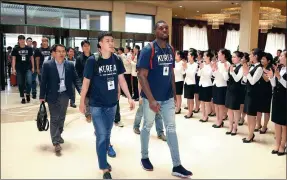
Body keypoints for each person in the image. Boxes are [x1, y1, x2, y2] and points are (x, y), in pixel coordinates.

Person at [137, 20, 192, 178]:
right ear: (155, 31)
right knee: (147, 126)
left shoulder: (170, 48)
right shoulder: (149, 49)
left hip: (167, 97)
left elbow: (171, 73)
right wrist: (152, 100)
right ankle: (144, 157)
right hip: (151, 98)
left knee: (172, 129)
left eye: (166, 28)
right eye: (161, 28)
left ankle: (177, 165)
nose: (165, 30)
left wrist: (174, 94)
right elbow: (141, 75)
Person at [79, 32, 135, 179]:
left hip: (112, 104)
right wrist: (81, 102)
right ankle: (104, 167)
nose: (111, 43)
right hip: (96, 104)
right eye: (107, 41)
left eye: (112, 40)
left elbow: (122, 80)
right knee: (102, 136)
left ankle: (102, 147)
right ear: (100, 44)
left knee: (107, 133)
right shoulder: (93, 60)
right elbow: (86, 83)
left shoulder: (116, 59)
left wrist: (129, 97)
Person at [40, 44, 81, 153]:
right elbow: (43, 81)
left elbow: (76, 79)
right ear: (54, 53)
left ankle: (58, 134)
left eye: (63, 51)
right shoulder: (47, 65)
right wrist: (41, 96)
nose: (62, 53)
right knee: (54, 118)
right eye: (59, 51)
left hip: (65, 94)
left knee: (62, 117)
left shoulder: (70, 65)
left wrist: (81, 91)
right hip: (52, 94)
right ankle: (56, 141)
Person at [265, 50, 286, 156]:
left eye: (282, 55)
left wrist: (278, 77)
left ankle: (283, 145)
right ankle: (277, 144)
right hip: (277, 97)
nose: (280, 57)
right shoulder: (280, 68)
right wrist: (272, 77)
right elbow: (274, 84)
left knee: (284, 124)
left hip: (285, 99)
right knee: (277, 122)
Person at [242, 48, 264, 143]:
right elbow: (246, 80)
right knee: (248, 115)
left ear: (255, 56)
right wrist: (245, 74)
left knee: (251, 115)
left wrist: (247, 73)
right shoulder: (252, 66)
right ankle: (250, 133)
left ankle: (250, 135)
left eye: (251, 55)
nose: (249, 56)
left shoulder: (259, 68)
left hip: (254, 94)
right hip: (248, 92)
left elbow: (253, 81)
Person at [225, 51, 244, 135]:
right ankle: (230, 126)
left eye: (234, 57)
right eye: (232, 57)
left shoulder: (242, 67)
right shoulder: (231, 66)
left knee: (236, 110)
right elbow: (226, 78)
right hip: (229, 88)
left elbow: (237, 79)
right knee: (229, 109)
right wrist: (226, 71)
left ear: (239, 58)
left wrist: (232, 71)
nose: (232, 59)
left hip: (237, 90)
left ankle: (235, 127)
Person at [11, 35, 34, 104]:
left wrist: (33, 67)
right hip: (19, 69)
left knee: (29, 82)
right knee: (20, 83)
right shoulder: (15, 49)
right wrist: (13, 69)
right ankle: (22, 97)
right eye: (20, 40)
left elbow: (32, 58)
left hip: (28, 68)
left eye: (23, 39)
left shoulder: (29, 48)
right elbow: (13, 59)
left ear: (25, 40)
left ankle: (27, 94)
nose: (22, 41)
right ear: (18, 41)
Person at [211, 49, 231, 128]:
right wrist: (214, 69)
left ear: (223, 55)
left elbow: (226, 78)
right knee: (215, 104)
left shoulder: (227, 64)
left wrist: (224, 70)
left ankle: (220, 121)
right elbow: (214, 75)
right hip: (215, 84)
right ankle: (217, 120)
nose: (217, 54)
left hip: (222, 86)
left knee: (220, 105)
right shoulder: (218, 63)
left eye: (219, 53)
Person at [255, 52, 273, 134]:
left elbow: (267, 79)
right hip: (258, 90)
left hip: (267, 91)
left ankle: (265, 126)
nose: (261, 60)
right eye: (261, 59)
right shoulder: (260, 67)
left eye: (264, 59)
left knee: (266, 110)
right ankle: (258, 124)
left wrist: (261, 72)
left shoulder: (270, 68)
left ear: (268, 61)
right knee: (258, 109)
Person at [75, 40, 92, 121]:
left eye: (88, 45)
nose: (87, 47)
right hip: (83, 81)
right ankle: (88, 114)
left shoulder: (94, 57)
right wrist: (79, 84)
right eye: (85, 46)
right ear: (82, 47)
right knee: (86, 98)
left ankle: (93, 113)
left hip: (94, 81)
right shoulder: (79, 58)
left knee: (93, 97)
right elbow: (77, 72)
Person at [198, 51, 213, 122]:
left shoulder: (211, 65)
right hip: (201, 84)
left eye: (204, 56)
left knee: (207, 102)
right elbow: (198, 74)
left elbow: (209, 75)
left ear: (209, 57)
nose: (203, 57)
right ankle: (203, 115)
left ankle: (206, 116)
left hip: (207, 85)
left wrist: (202, 69)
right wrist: (200, 68)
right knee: (202, 102)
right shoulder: (203, 64)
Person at [183, 48, 198, 118]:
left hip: (192, 83)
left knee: (191, 98)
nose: (187, 56)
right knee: (188, 99)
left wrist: (186, 68)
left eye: (189, 55)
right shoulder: (187, 64)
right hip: (186, 82)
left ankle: (190, 112)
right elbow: (184, 73)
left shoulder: (195, 65)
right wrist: (184, 68)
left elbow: (192, 74)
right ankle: (189, 111)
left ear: (192, 57)